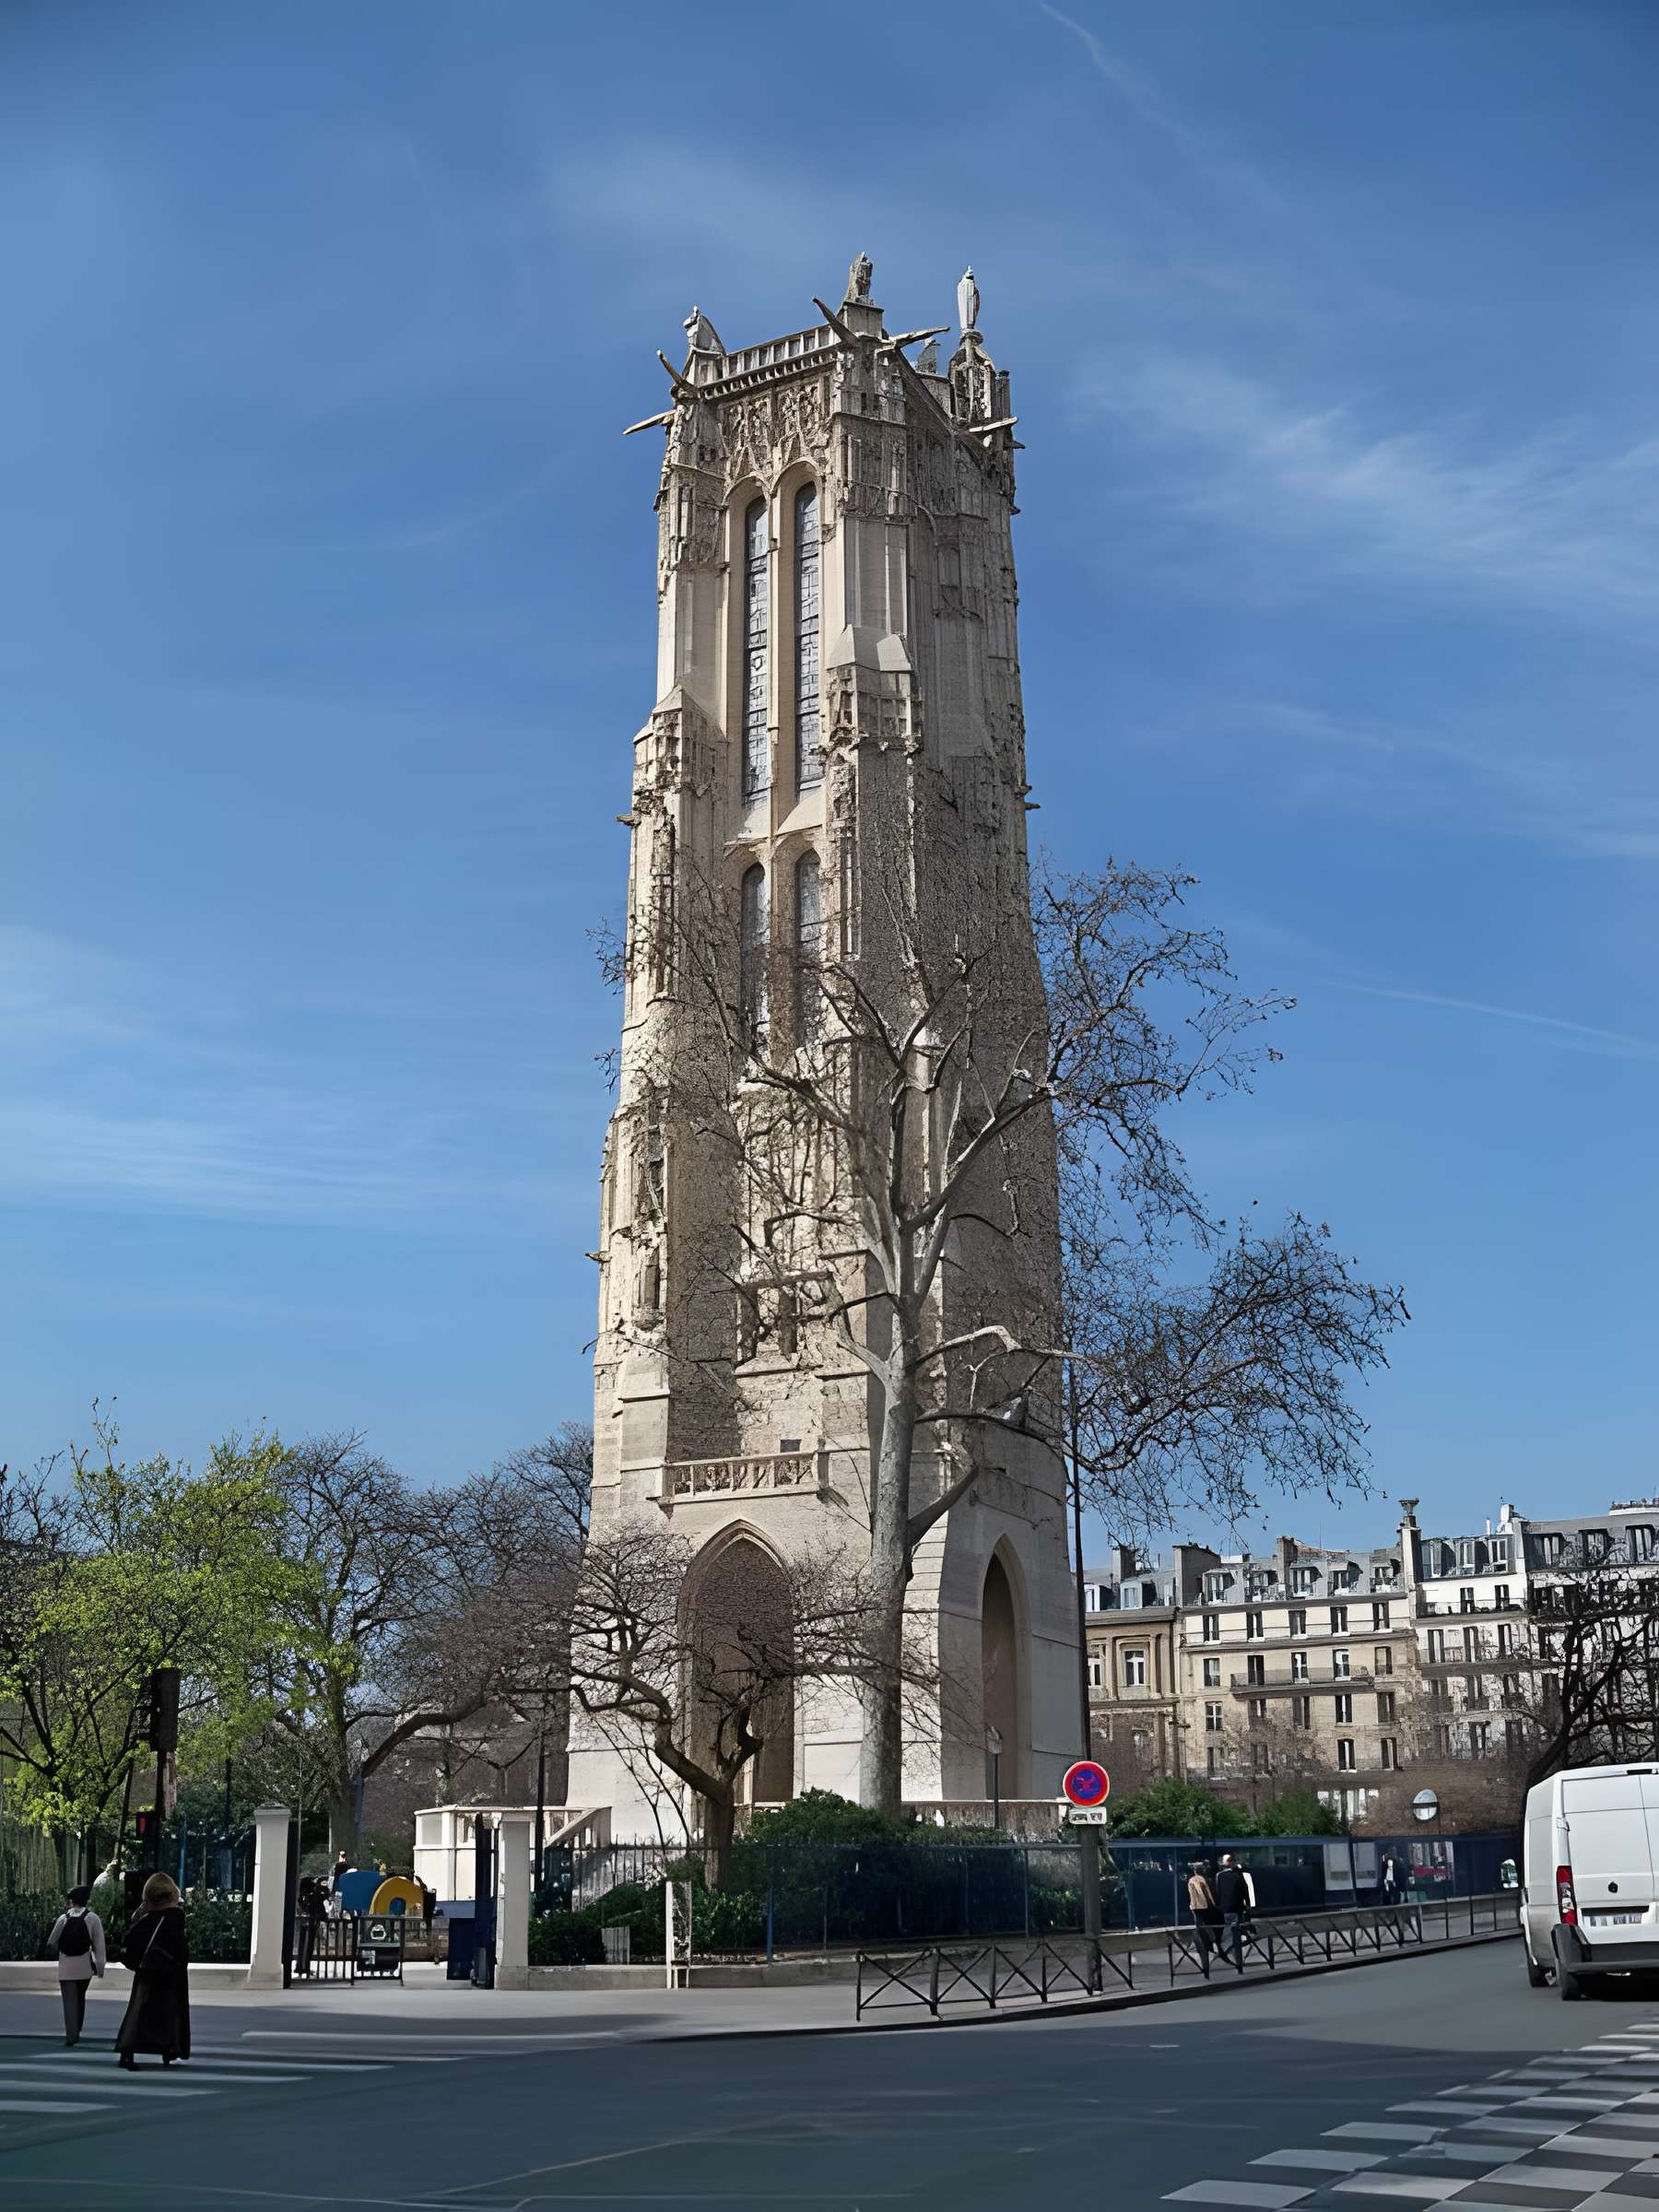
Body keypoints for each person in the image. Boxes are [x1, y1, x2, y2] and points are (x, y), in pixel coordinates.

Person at [114, 1871, 190, 2070]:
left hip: (146, 1970)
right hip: (170, 1972)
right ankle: (168, 2049)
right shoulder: (175, 1916)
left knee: (138, 2010)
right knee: (168, 2011)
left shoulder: (144, 1916)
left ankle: (127, 2051)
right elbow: (180, 1946)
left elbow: (130, 1943)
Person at [46, 1884, 106, 2047]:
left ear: (71, 1901)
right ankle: (77, 2028)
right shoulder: (92, 1918)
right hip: (84, 1967)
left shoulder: (63, 1918)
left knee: (69, 2001)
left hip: (66, 1967)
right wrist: (100, 1967)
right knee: (80, 1998)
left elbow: (52, 1941)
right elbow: (99, 1946)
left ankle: (71, 2035)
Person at [1214, 1853, 1252, 1971]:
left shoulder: (1219, 1876)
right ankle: (1239, 1958)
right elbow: (1245, 1891)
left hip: (1225, 1910)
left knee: (1228, 1933)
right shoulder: (1238, 1876)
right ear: (1233, 1863)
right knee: (1240, 1934)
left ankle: (1228, 1954)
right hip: (1237, 1909)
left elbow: (1218, 1893)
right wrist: (1248, 1905)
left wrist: (1219, 1906)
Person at [1185, 1861, 1219, 1969]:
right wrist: (1212, 1903)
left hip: (1195, 1907)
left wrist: (1192, 1904)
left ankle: (1197, 1945)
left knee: (1198, 1926)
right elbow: (1207, 1893)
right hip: (1204, 1906)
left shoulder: (1190, 1880)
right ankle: (1211, 1946)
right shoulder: (1202, 1880)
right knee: (1208, 1925)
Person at [295, 1877, 325, 1977]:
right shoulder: (314, 1896)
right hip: (311, 1923)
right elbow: (321, 1907)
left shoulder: (302, 1896)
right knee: (309, 1946)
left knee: (302, 1945)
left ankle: (301, 1967)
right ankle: (304, 1968)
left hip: (303, 1923)